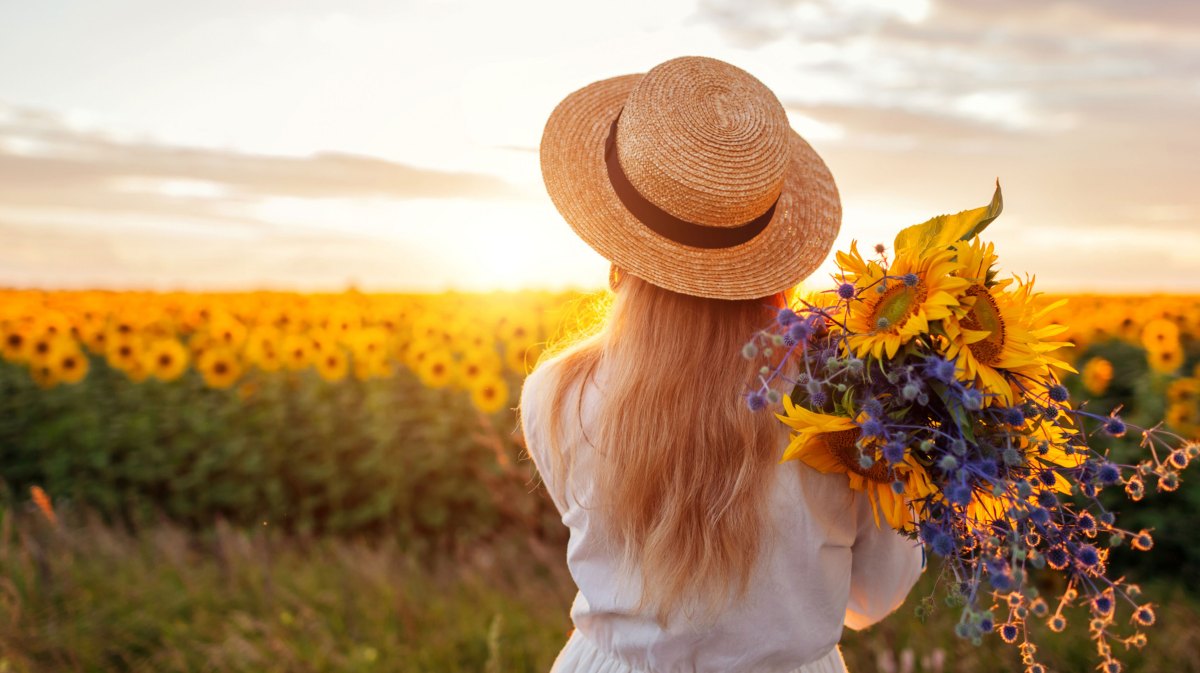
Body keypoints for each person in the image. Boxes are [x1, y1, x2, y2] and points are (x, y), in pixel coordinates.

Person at [519, 55, 925, 673]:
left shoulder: (556, 390)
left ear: (617, 251)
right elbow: (873, 595)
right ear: (776, 261)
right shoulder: (850, 405)